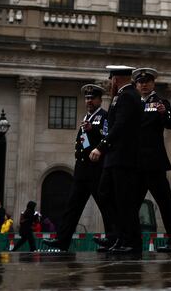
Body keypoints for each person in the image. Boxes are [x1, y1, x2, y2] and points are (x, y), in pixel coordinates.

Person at [49, 83, 116, 253]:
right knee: (72, 205)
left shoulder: (104, 116)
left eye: (92, 98)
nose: (89, 101)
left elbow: (107, 137)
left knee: (105, 205)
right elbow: (84, 142)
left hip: (96, 169)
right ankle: (62, 240)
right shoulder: (86, 118)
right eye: (87, 98)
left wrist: (92, 130)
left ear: (99, 100)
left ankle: (112, 238)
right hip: (82, 169)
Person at [89, 65, 144, 257]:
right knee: (105, 194)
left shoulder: (128, 96)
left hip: (123, 157)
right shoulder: (122, 96)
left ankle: (132, 241)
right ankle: (119, 236)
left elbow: (120, 126)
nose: (110, 83)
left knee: (125, 201)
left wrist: (101, 146)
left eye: (111, 79)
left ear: (115, 79)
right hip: (115, 157)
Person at [133, 68, 171, 253]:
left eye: (147, 82)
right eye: (140, 82)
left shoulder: (160, 103)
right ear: (136, 85)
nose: (144, 85)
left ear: (153, 83)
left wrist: (164, 113)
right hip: (136, 163)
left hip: (154, 163)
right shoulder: (134, 104)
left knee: (165, 204)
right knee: (131, 205)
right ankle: (129, 241)